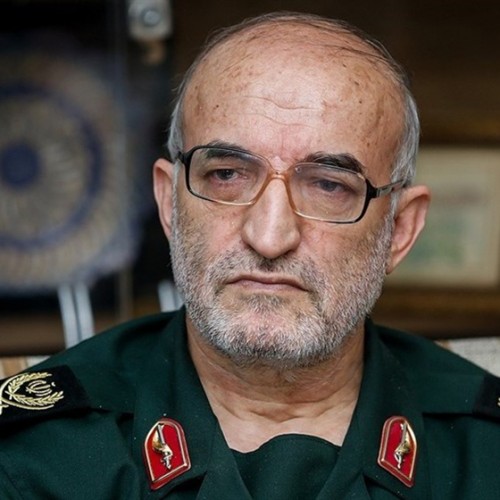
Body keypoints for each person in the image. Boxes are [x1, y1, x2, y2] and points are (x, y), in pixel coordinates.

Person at [1, 11, 499, 499]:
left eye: (328, 185)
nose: (269, 236)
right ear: (169, 203)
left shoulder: (485, 452)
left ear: (400, 230)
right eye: (226, 175)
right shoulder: (35, 459)